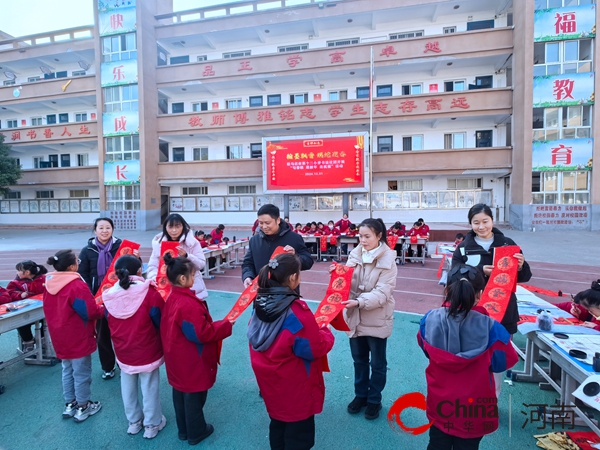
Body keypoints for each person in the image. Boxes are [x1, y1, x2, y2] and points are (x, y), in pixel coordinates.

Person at [418, 264, 518, 450]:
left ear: (447, 290)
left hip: (440, 401)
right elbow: (503, 362)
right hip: (474, 406)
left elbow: (425, 348)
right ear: (479, 294)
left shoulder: (429, 319)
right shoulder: (492, 328)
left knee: (437, 442)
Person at [248, 253, 334, 450]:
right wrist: (326, 333)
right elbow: (314, 348)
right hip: (294, 385)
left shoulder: (260, 303)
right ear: (294, 278)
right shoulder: (296, 311)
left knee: (278, 425)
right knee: (299, 437)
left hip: (270, 380)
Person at [452, 203, 531, 395]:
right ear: (470, 224)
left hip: (504, 311)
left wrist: (520, 266)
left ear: (492, 221)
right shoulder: (463, 249)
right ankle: (471, 397)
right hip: (473, 310)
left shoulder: (508, 244)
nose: (481, 226)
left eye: (485, 221)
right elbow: (453, 275)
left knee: (497, 358)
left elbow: (525, 277)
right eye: (476, 222)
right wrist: (479, 271)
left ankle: (492, 399)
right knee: (473, 355)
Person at [161, 253, 233, 445]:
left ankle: (183, 430)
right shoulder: (187, 304)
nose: (194, 279)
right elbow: (201, 334)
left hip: (176, 355)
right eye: (193, 275)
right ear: (183, 278)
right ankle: (196, 432)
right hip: (190, 357)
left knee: (180, 393)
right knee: (194, 395)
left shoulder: (173, 297)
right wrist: (225, 325)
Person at [337, 218, 397, 420]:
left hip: (376, 317)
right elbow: (346, 282)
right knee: (359, 360)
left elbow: (383, 293)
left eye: (367, 236)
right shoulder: (355, 254)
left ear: (379, 236)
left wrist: (359, 302)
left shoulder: (388, 259)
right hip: (354, 315)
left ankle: (374, 400)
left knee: (378, 364)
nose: (362, 240)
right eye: (360, 236)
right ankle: (360, 395)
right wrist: (338, 275)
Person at [102, 255, 167, 439]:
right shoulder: (149, 292)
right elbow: (159, 319)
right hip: (147, 347)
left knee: (127, 385)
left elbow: (107, 318)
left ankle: (134, 422)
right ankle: (152, 424)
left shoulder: (109, 295)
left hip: (123, 349)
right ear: (140, 271)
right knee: (150, 386)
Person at [44, 250, 105, 422]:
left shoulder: (49, 283)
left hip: (59, 334)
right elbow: (89, 311)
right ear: (72, 266)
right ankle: (83, 406)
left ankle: (70, 403)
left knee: (67, 369)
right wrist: (103, 308)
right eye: (77, 260)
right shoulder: (75, 285)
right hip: (76, 334)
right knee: (81, 372)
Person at [78, 217, 126, 380]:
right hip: (98, 299)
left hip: (119, 296)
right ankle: (108, 366)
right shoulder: (87, 251)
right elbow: (82, 274)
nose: (104, 231)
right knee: (103, 335)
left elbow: (132, 266)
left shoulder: (122, 247)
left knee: (122, 333)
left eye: (108, 227)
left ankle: (124, 364)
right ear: (95, 230)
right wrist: (89, 294)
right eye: (101, 228)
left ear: (113, 229)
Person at [242, 204, 313, 291]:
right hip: (260, 294)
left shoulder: (294, 238)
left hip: (287, 296)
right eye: (261, 223)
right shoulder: (254, 240)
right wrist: (247, 276)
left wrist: (295, 256)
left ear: (278, 220)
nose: (264, 227)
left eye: (268, 223)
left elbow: (308, 261)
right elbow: (248, 263)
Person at [147, 213, 207, 301]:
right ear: (165, 228)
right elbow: (152, 267)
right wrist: (155, 279)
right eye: (170, 227)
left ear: (183, 226)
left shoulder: (192, 242)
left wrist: (187, 256)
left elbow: (201, 264)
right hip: (166, 291)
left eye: (177, 226)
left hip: (191, 290)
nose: (174, 230)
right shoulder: (159, 245)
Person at [6, 260, 48, 352]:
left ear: (27, 272)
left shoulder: (44, 279)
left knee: (49, 319)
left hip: (41, 310)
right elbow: (9, 294)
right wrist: (20, 295)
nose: (17, 273)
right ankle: (28, 342)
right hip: (24, 312)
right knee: (21, 323)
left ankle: (42, 339)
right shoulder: (15, 283)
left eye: (18, 270)